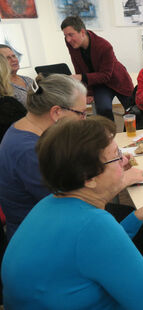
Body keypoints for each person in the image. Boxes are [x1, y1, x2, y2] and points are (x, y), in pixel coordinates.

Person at [1, 117, 143, 309]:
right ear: (88, 178)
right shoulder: (94, 225)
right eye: (116, 156)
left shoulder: (50, 202)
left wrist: (137, 216)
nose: (124, 161)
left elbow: (92, 249)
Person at [0, 74, 89, 240]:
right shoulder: (29, 150)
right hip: (39, 236)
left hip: (46, 223)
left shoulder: (24, 129)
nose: (83, 120)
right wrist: (119, 180)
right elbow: (70, 205)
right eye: (81, 113)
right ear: (56, 112)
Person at [61, 16, 134, 121]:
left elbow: (105, 75)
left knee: (132, 110)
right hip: (99, 83)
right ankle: (109, 135)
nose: (68, 39)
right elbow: (78, 66)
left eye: (71, 35)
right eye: (65, 35)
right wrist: (88, 92)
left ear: (82, 32)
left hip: (117, 80)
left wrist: (81, 77)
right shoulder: (71, 43)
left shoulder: (104, 46)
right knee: (103, 110)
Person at [0, 54, 26, 143]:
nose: (13, 60)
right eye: (7, 57)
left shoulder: (28, 80)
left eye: (14, 56)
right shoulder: (8, 104)